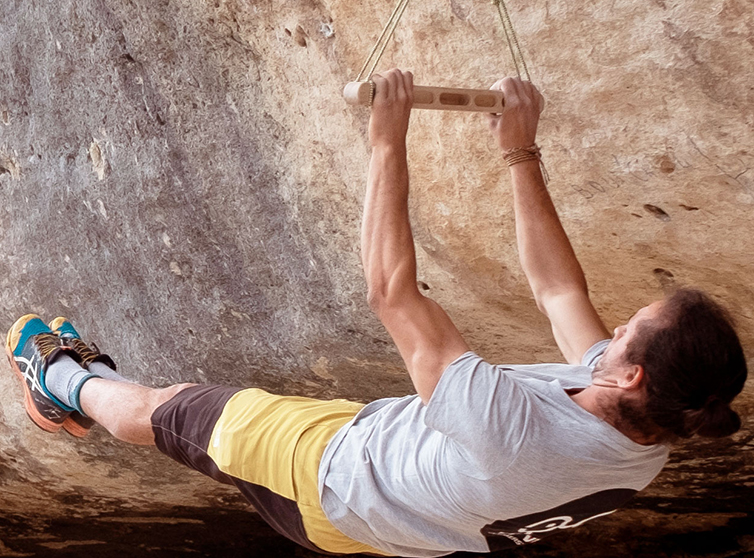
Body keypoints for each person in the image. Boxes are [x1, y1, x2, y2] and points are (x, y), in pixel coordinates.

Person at [6, 72, 747, 556]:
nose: (609, 331)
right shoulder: (645, 433)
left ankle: (61, 383)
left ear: (633, 373)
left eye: (624, 333)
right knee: (205, 424)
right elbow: (558, 292)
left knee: (174, 411)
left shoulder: (512, 430)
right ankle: (75, 387)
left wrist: (386, 141)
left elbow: (391, 294)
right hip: (384, 500)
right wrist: (521, 155)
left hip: (328, 477)